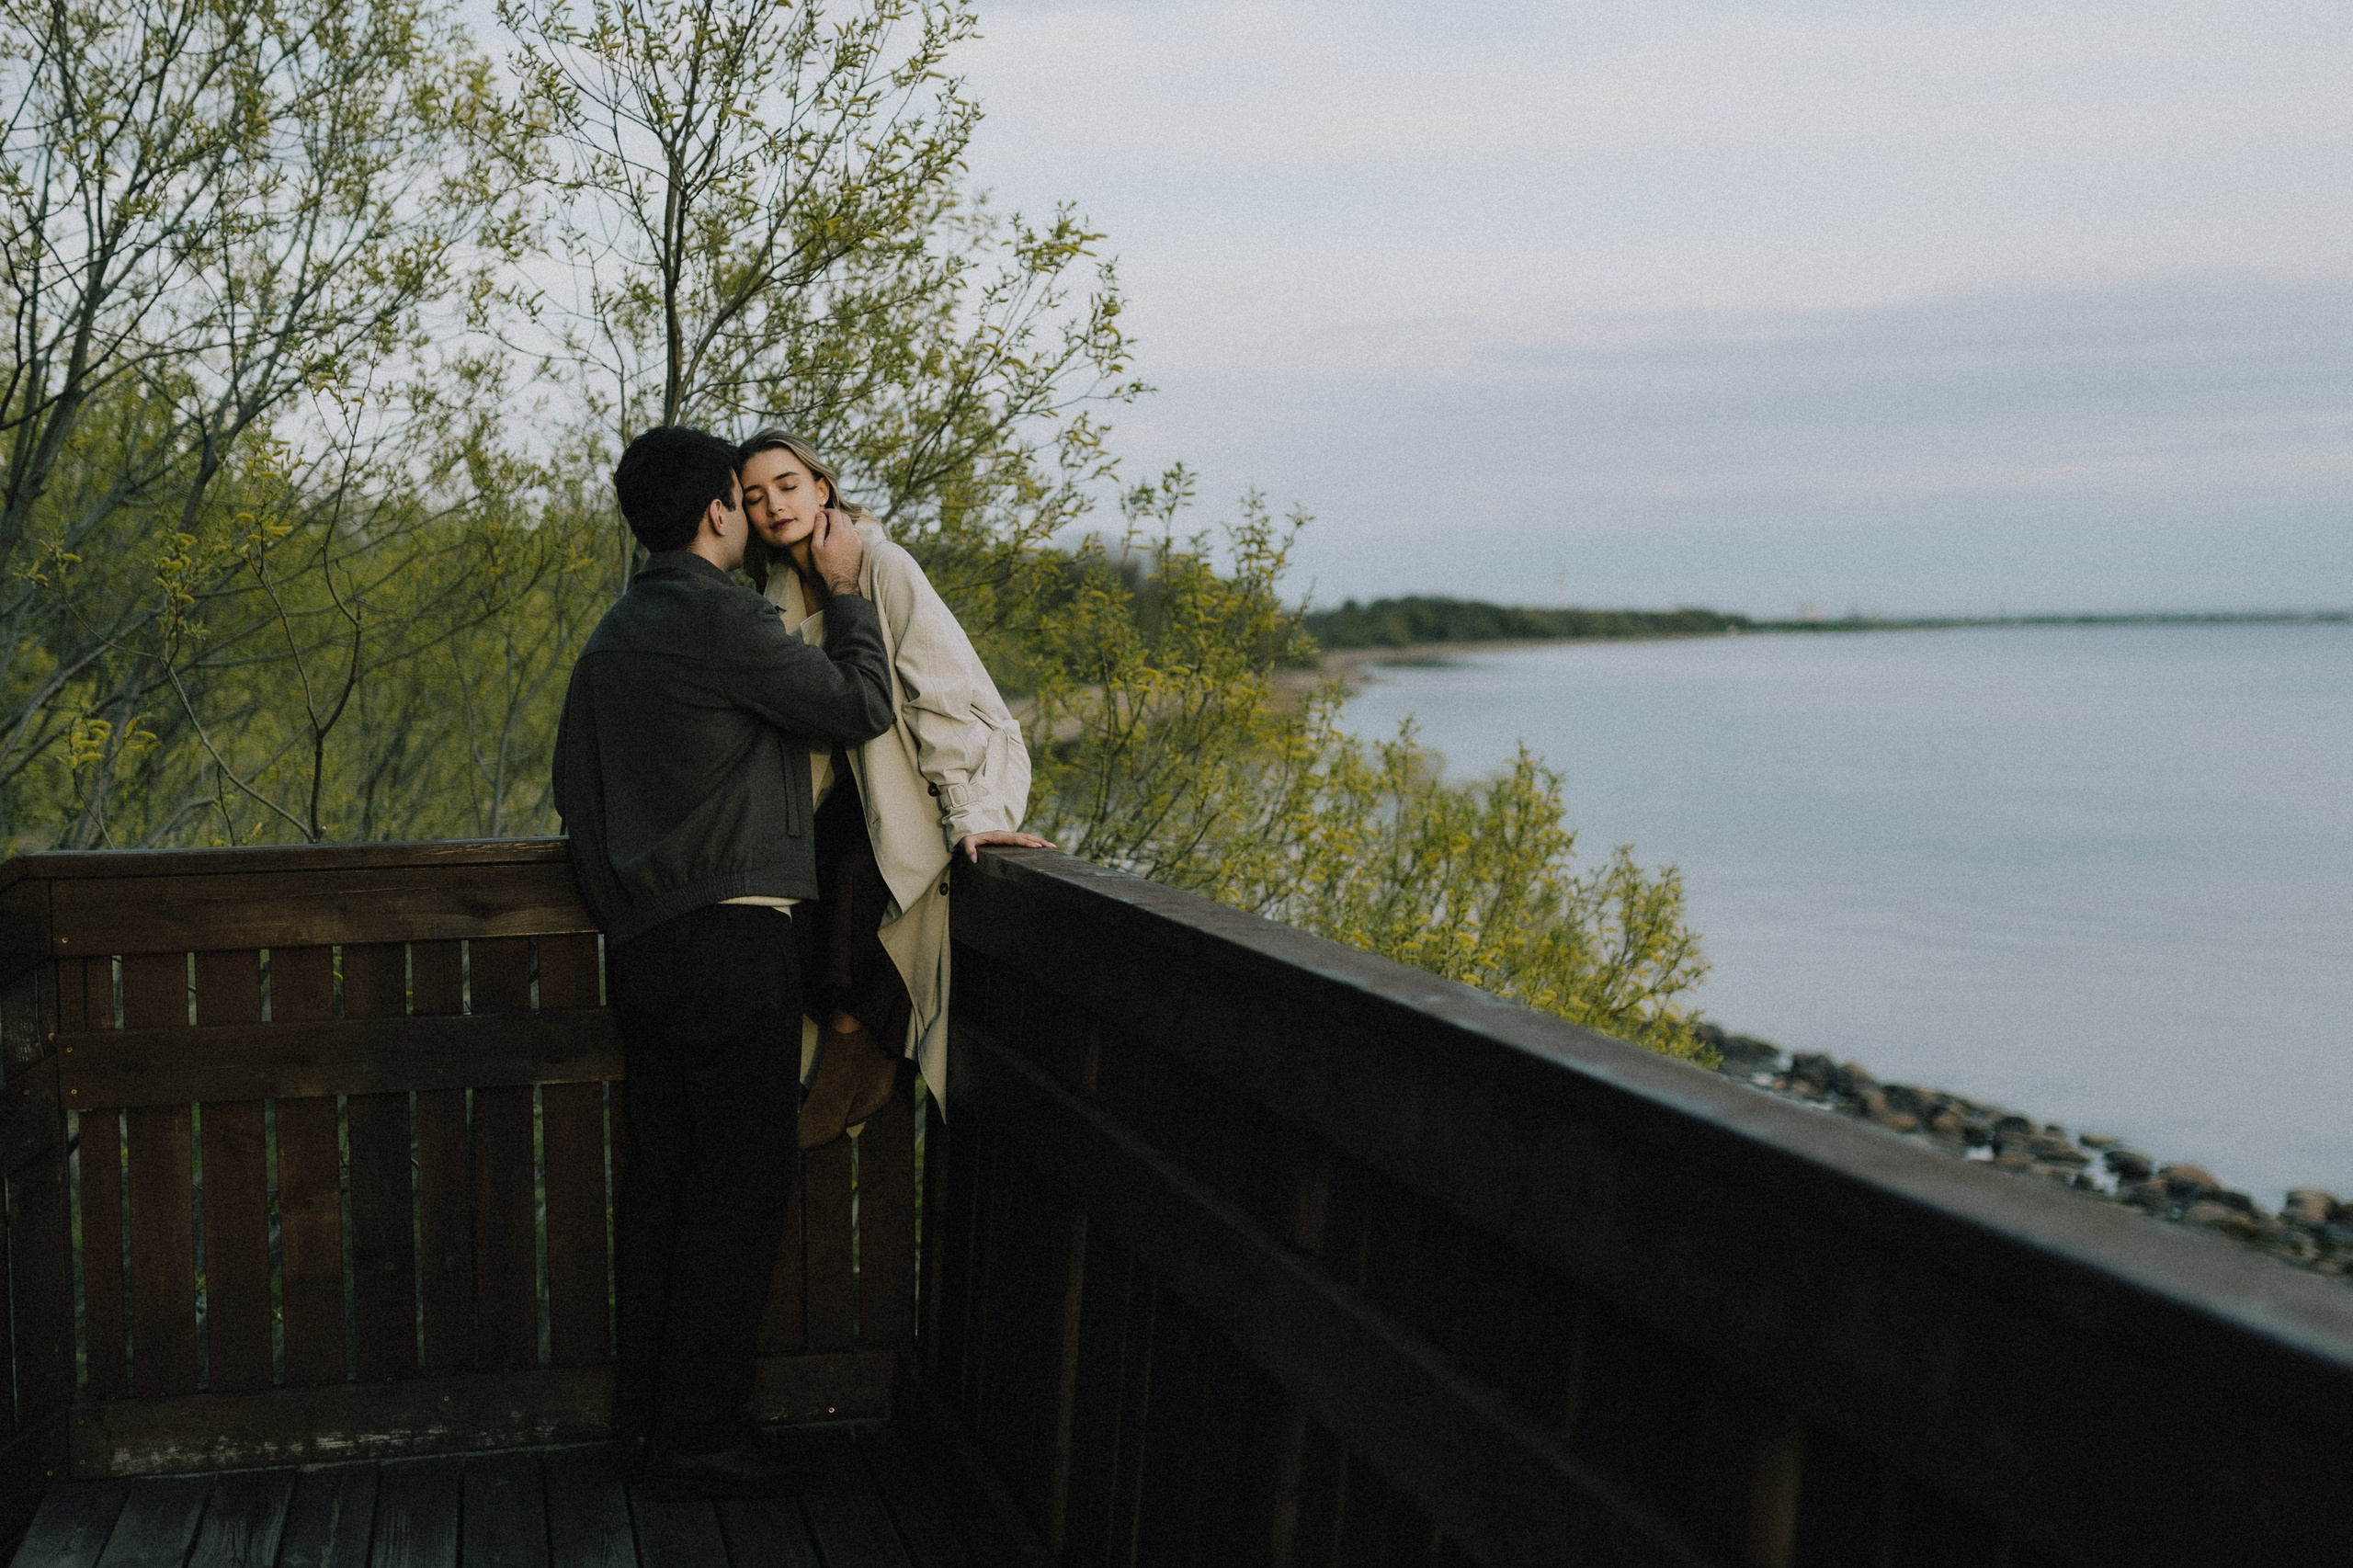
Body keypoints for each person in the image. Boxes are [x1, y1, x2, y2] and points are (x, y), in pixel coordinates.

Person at [551, 425, 894, 1489]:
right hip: (733, 942)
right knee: (737, 1190)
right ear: (716, 511)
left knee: (664, 1181)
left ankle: (646, 1420)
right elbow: (859, 706)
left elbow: (575, 796)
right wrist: (848, 593)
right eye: (743, 500)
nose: (756, 514)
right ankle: (701, 1432)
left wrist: (626, 909)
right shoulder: (724, 618)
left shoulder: (611, 637)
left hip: (644, 951)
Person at [734, 429, 1047, 1143]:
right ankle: (852, 1045)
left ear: (822, 487)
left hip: (931, 771)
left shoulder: (883, 564)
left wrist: (969, 813)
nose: (774, 505)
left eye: (787, 484)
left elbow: (941, 695)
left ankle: (857, 1046)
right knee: (788, 894)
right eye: (754, 497)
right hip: (852, 785)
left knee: (862, 876)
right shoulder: (773, 596)